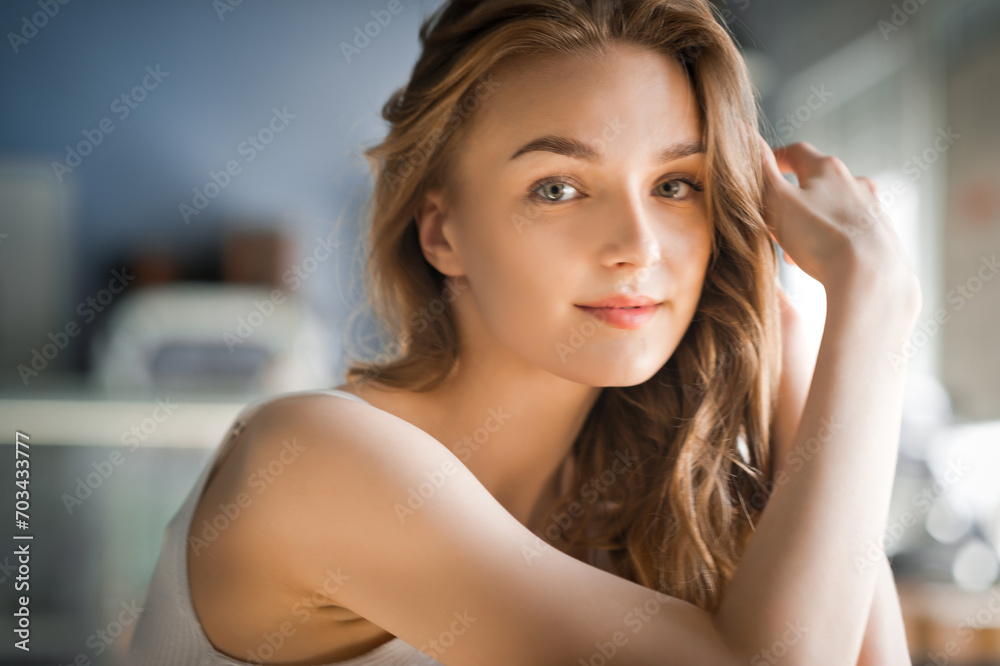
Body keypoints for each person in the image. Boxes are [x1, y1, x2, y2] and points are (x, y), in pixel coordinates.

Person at [128, 0, 921, 664]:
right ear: (442, 233)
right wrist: (875, 305)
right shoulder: (307, 460)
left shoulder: (652, 501)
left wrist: (784, 344)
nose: (639, 247)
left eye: (676, 184)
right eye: (559, 187)